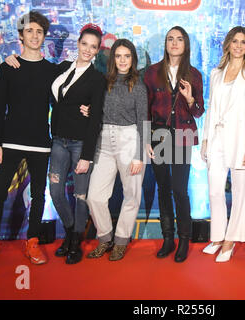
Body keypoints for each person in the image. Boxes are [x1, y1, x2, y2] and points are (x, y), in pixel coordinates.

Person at [2, 24, 107, 265]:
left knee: (81, 195)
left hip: (81, 144)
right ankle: (71, 232)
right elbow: (34, 69)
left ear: (97, 50)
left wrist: (87, 156)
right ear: (78, 44)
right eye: (85, 44)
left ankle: (75, 241)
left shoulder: (96, 79)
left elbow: (95, 121)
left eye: (93, 47)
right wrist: (12, 59)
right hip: (58, 140)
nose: (88, 50)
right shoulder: (60, 69)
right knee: (57, 192)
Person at [0, 11, 56, 267]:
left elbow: (61, 102)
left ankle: (32, 241)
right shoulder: (8, 67)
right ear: (21, 35)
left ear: (44, 36)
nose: (34, 35)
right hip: (9, 142)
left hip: (40, 142)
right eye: (29, 31)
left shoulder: (51, 71)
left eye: (39, 32)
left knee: (39, 196)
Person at [200, 26, 245, 262]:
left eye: (243, 42)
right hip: (216, 138)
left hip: (241, 139)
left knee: (238, 194)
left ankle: (230, 240)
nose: (238, 45)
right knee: (215, 191)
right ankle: (217, 236)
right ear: (227, 44)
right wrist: (206, 139)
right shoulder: (217, 73)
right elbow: (210, 108)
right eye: (234, 41)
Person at [144, 26, 204, 263]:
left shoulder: (194, 74)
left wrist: (189, 98)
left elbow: (199, 111)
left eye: (179, 39)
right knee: (163, 188)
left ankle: (184, 239)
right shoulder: (151, 73)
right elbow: (145, 107)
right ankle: (168, 238)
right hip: (158, 134)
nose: (175, 43)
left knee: (179, 189)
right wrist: (145, 137)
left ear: (186, 44)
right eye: (171, 39)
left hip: (183, 135)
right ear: (165, 44)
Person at [85, 39, 147, 261]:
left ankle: (121, 241)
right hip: (105, 142)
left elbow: (143, 122)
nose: (122, 61)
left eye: (127, 56)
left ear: (133, 59)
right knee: (94, 196)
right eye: (118, 56)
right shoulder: (104, 82)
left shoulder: (138, 85)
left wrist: (140, 155)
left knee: (131, 195)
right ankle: (105, 237)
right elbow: (96, 111)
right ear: (113, 59)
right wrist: (88, 110)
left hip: (129, 141)